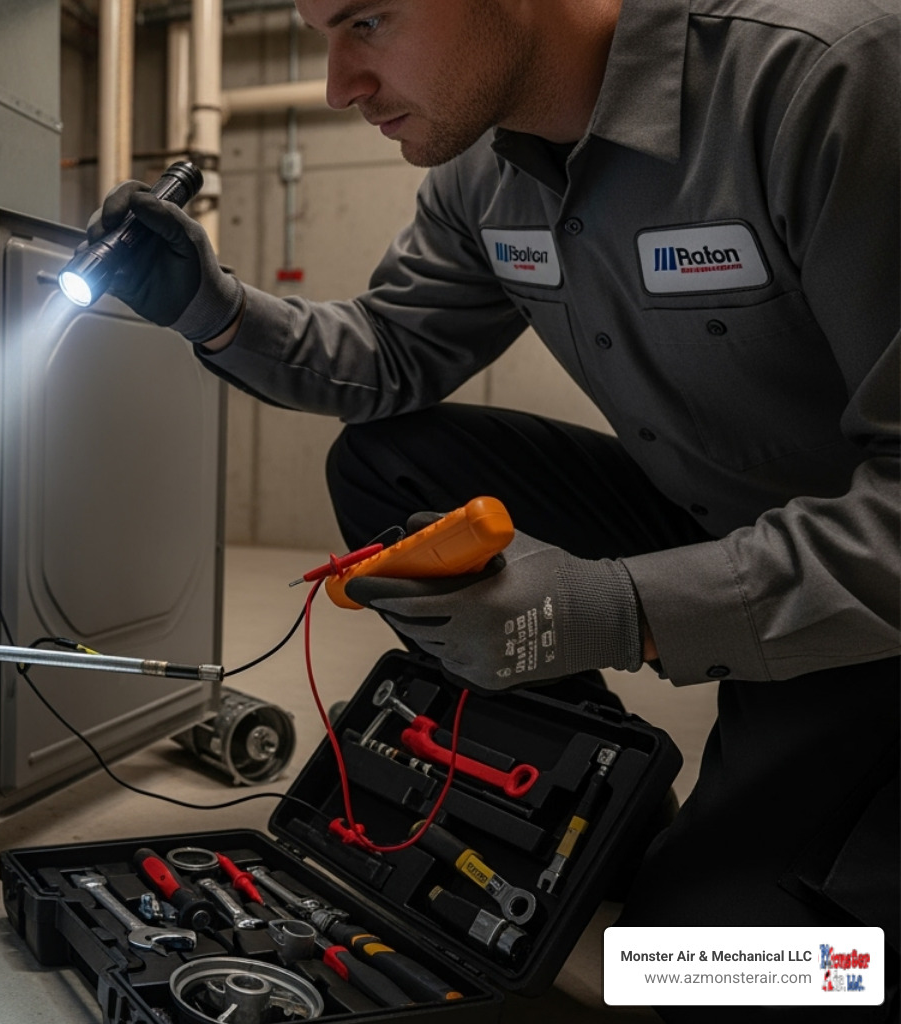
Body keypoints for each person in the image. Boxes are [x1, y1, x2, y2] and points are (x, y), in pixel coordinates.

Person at [79, 0, 899, 1020]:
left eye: (367, 21)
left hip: (875, 597)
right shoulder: (487, 173)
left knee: (700, 974)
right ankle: (605, 807)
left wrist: (618, 604)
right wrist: (212, 307)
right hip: (722, 518)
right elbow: (389, 355)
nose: (338, 85)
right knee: (392, 465)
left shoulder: (832, 80)